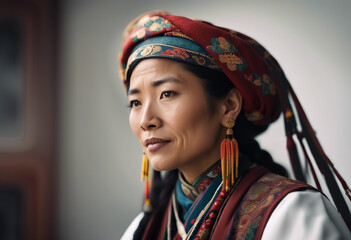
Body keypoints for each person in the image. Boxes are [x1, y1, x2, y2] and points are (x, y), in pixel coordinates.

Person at [118, 11, 351, 239]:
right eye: (135, 102)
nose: (146, 120)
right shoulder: (146, 226)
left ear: (229, 106)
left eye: (167, 94)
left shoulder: (292, 214)